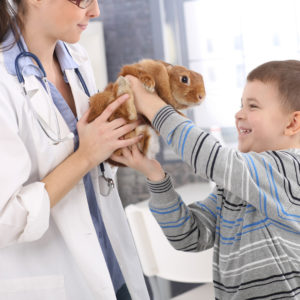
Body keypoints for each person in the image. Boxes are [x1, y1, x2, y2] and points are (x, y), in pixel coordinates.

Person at [112, 60, 300, 299]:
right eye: (241, 105)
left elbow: (212, 158)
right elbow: (189, 237)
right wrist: (155, 175)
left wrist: (149, 103)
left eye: (253, 107)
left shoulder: (291, 170)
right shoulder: (233, 188)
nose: (239, 114)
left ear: (292, 123)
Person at [0, 1, 150, 299]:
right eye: (82, 0)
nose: (95, 12)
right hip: (57, 281)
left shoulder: (77, 59)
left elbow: (87, 170)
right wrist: (86, 156)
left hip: (113, 266)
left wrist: (114, 142)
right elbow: (5, 219)